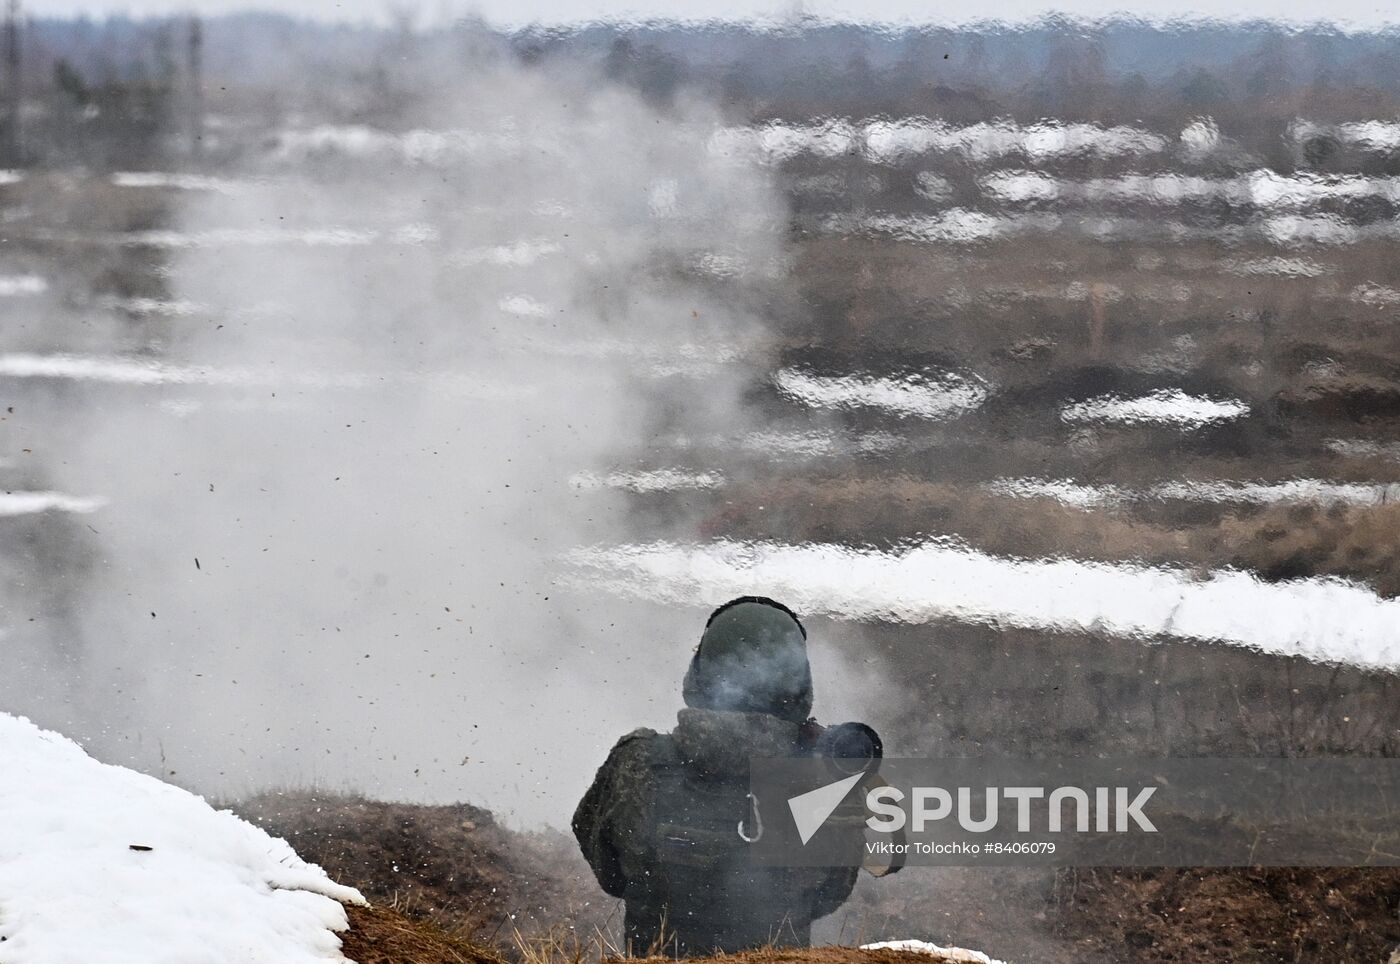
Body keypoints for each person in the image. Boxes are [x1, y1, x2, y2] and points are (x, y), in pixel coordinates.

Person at [572, 596, 878, 955]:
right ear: (799, 687)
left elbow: (610, 870)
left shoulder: (637, 763)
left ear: (700, 673)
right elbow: (829, 895)